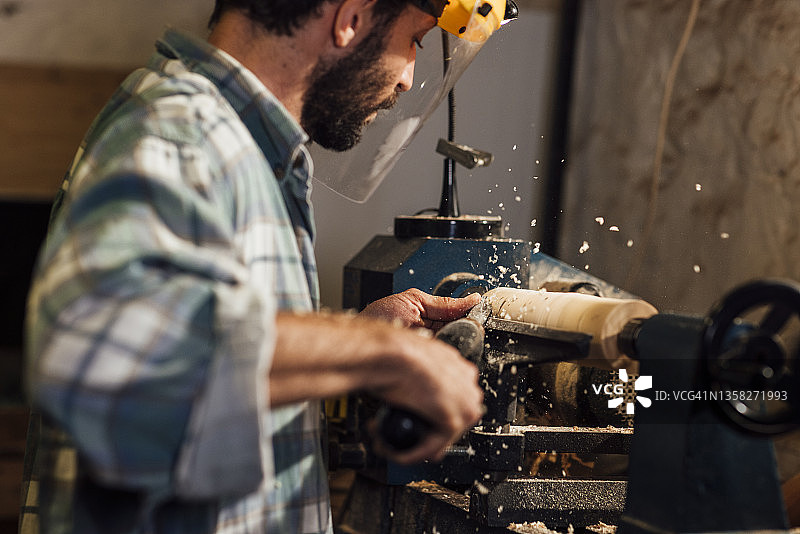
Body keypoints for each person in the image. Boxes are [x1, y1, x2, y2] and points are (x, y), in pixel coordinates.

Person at [22, 1, 490, 533]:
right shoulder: (183, 133)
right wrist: (386, 354)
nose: (408, 78)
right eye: (416, 41)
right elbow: (104, 355)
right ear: (351, 18)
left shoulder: (241, 147)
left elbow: (203, 333)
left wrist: (353, 339)